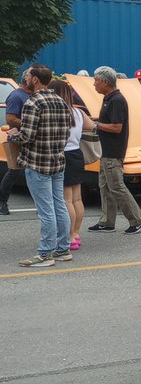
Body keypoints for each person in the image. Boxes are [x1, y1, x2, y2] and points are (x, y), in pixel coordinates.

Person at [14, 64, 72, 267]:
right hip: (57, 160)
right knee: (60, 206)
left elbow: (27, 135)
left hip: (37, 162)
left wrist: (13, 136)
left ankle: (45, 253)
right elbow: (66, 133)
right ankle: (63, 249)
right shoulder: (61, 102)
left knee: (46, 210)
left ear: (35, 79)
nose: (26, 79)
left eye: (28, 76)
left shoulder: (33, 103)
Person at [88, 66, 141, 235]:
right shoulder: (109, 98)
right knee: (105, 186)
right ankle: (107, 222)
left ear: (105, 82)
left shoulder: (116, 100)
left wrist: (95, 125)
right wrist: (96, 121)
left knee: (116, 186)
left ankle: (138, 219)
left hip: (113, 151)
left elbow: (116, 127)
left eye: (96, 81)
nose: (94, 84)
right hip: (106, 151)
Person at [51, 79, 90, 252]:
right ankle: (76, 233)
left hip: (63, 154)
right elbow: (90, 126)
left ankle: (69, 235)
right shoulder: (77, 112)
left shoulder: (56, 111)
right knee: (77, 198)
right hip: (77, 154)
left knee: (66, 199)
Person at [0, 74, 32, 215]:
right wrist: (32, 123)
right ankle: (2, 203)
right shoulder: (16, 96)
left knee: (36, 173)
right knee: (14, 171)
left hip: (33, 140)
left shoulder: (36, 95)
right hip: (18, 139)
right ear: (27, 80)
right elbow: (11, 119)